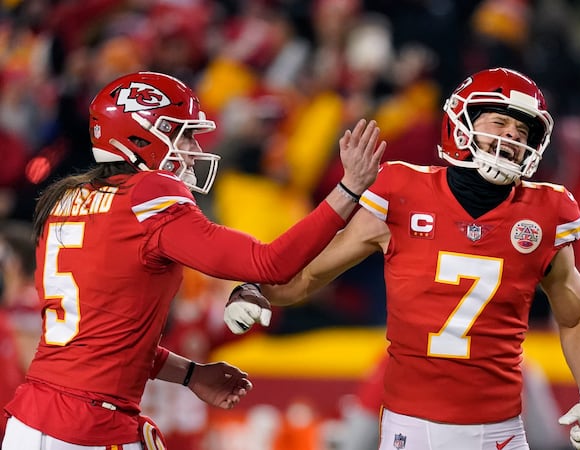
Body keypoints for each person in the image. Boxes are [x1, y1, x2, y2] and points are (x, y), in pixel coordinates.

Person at [224, 67, 580, 450]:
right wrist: (256, 291)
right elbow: (310, 275)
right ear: (461, 125)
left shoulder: (546, 213)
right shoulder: (402, 192)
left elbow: (576, 315)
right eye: (500, 122)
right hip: (412, 428)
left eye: (522, 131)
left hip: (500, 432)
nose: (512, 136)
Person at [1, 71, 385, 449]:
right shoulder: (147, 195)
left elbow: (103, 341)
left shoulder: (67, 199)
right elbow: (270, 263)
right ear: (140, 136)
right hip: (88, 428)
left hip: (32, 420)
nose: (193, 148)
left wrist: (190, 375)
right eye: (183, 134)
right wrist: (348, 190)